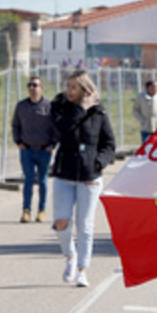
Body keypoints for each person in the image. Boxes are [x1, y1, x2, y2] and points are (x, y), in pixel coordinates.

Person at [51, 70, 116, 288]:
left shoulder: (99, 112)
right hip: (64, 174)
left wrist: (98, 163)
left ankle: (82, 269)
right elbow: (63, 132)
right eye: (68, 86)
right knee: (62, 222)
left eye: (73, 87)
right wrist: (80, 109)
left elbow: (109, 144)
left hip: (90, 177)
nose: (68, 91)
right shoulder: (60, 106)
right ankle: (70, 256)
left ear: (84, 90)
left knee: (85, 226)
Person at [12, 75, 55, 223]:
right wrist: (19, 142)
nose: (32, 88)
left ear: (41, 88)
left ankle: (42, 210)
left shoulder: (49, 106)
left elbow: (56, 127)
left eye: (35, 85)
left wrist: (52, 144)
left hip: (44, 150)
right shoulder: (21, 106)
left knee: (42, 181)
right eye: (29, 85)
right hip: (27, 150)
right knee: (28, 179)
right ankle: (26, 210)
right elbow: (15, 125)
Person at [132, 79, 157, 144]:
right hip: (145, 126)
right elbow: (135, 110)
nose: (156, 88)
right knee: (146, 145)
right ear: (148, 87)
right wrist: (142, 120)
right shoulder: (141, 96)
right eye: (154, 86)